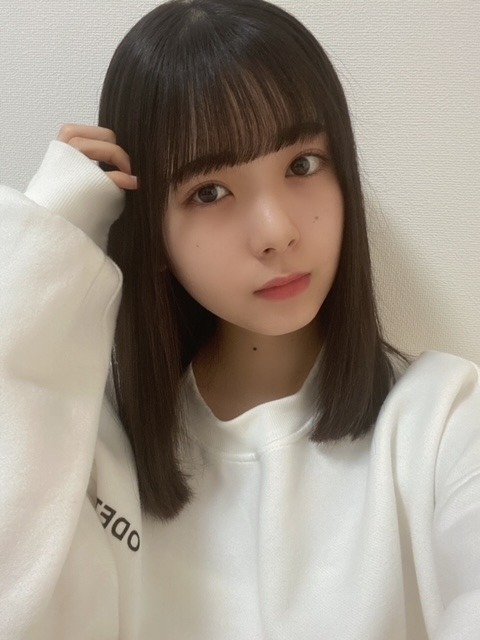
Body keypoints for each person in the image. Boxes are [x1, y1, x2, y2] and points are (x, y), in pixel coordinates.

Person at [0, 0, 479, 638]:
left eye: (302, 164)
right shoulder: (94, 448)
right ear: (152, 231)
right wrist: (44, 248)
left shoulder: (444, 421)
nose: (276, 231)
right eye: (209, 192)